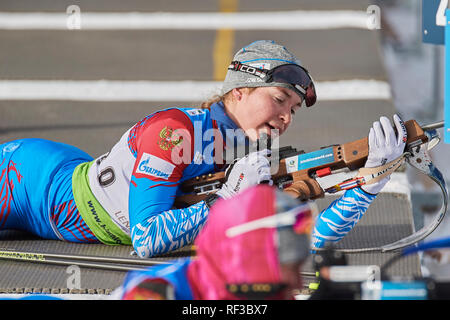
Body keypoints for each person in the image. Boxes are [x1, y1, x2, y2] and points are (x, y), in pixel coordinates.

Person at [0, 40, 406, 258]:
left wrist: (369, 181)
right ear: (240, 90)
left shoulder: (253, 154)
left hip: (57, 196)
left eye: (294, 109)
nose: (286, 117)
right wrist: (229, 197)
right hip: (26, 182)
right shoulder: (175, 133)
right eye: (280, 99)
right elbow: (147, 241)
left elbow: (307, 244)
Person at [112, 184, 315, 300]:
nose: (299, 282)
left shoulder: (260, 293)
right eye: (291, 267)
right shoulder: (155, 292)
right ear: (249, 258)